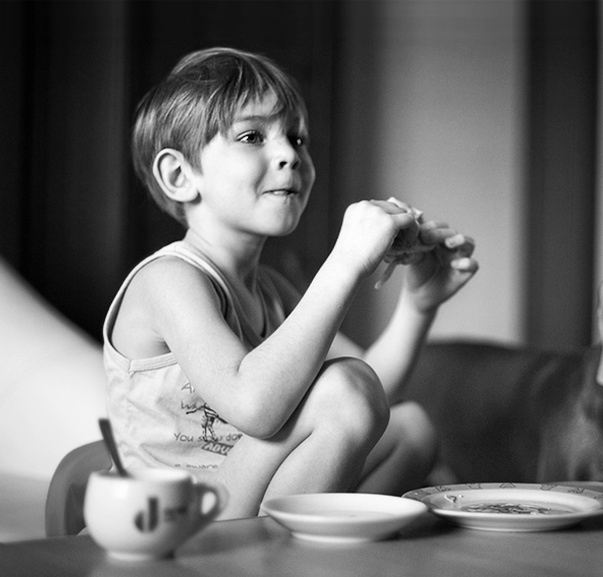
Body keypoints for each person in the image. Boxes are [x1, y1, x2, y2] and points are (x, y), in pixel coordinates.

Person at [102, 47, 478, 519]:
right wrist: (343, 264)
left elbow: (371, 390)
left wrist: (419, 304)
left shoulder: (271, 291)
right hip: (177, 520)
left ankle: (316, 548)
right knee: (345, 391)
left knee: (412, 429)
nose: (288, 155)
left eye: (297, 139)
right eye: (253, 135)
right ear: (180, 176)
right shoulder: (168, 279)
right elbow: (256, 404)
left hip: (245, 498)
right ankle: (279, 557)